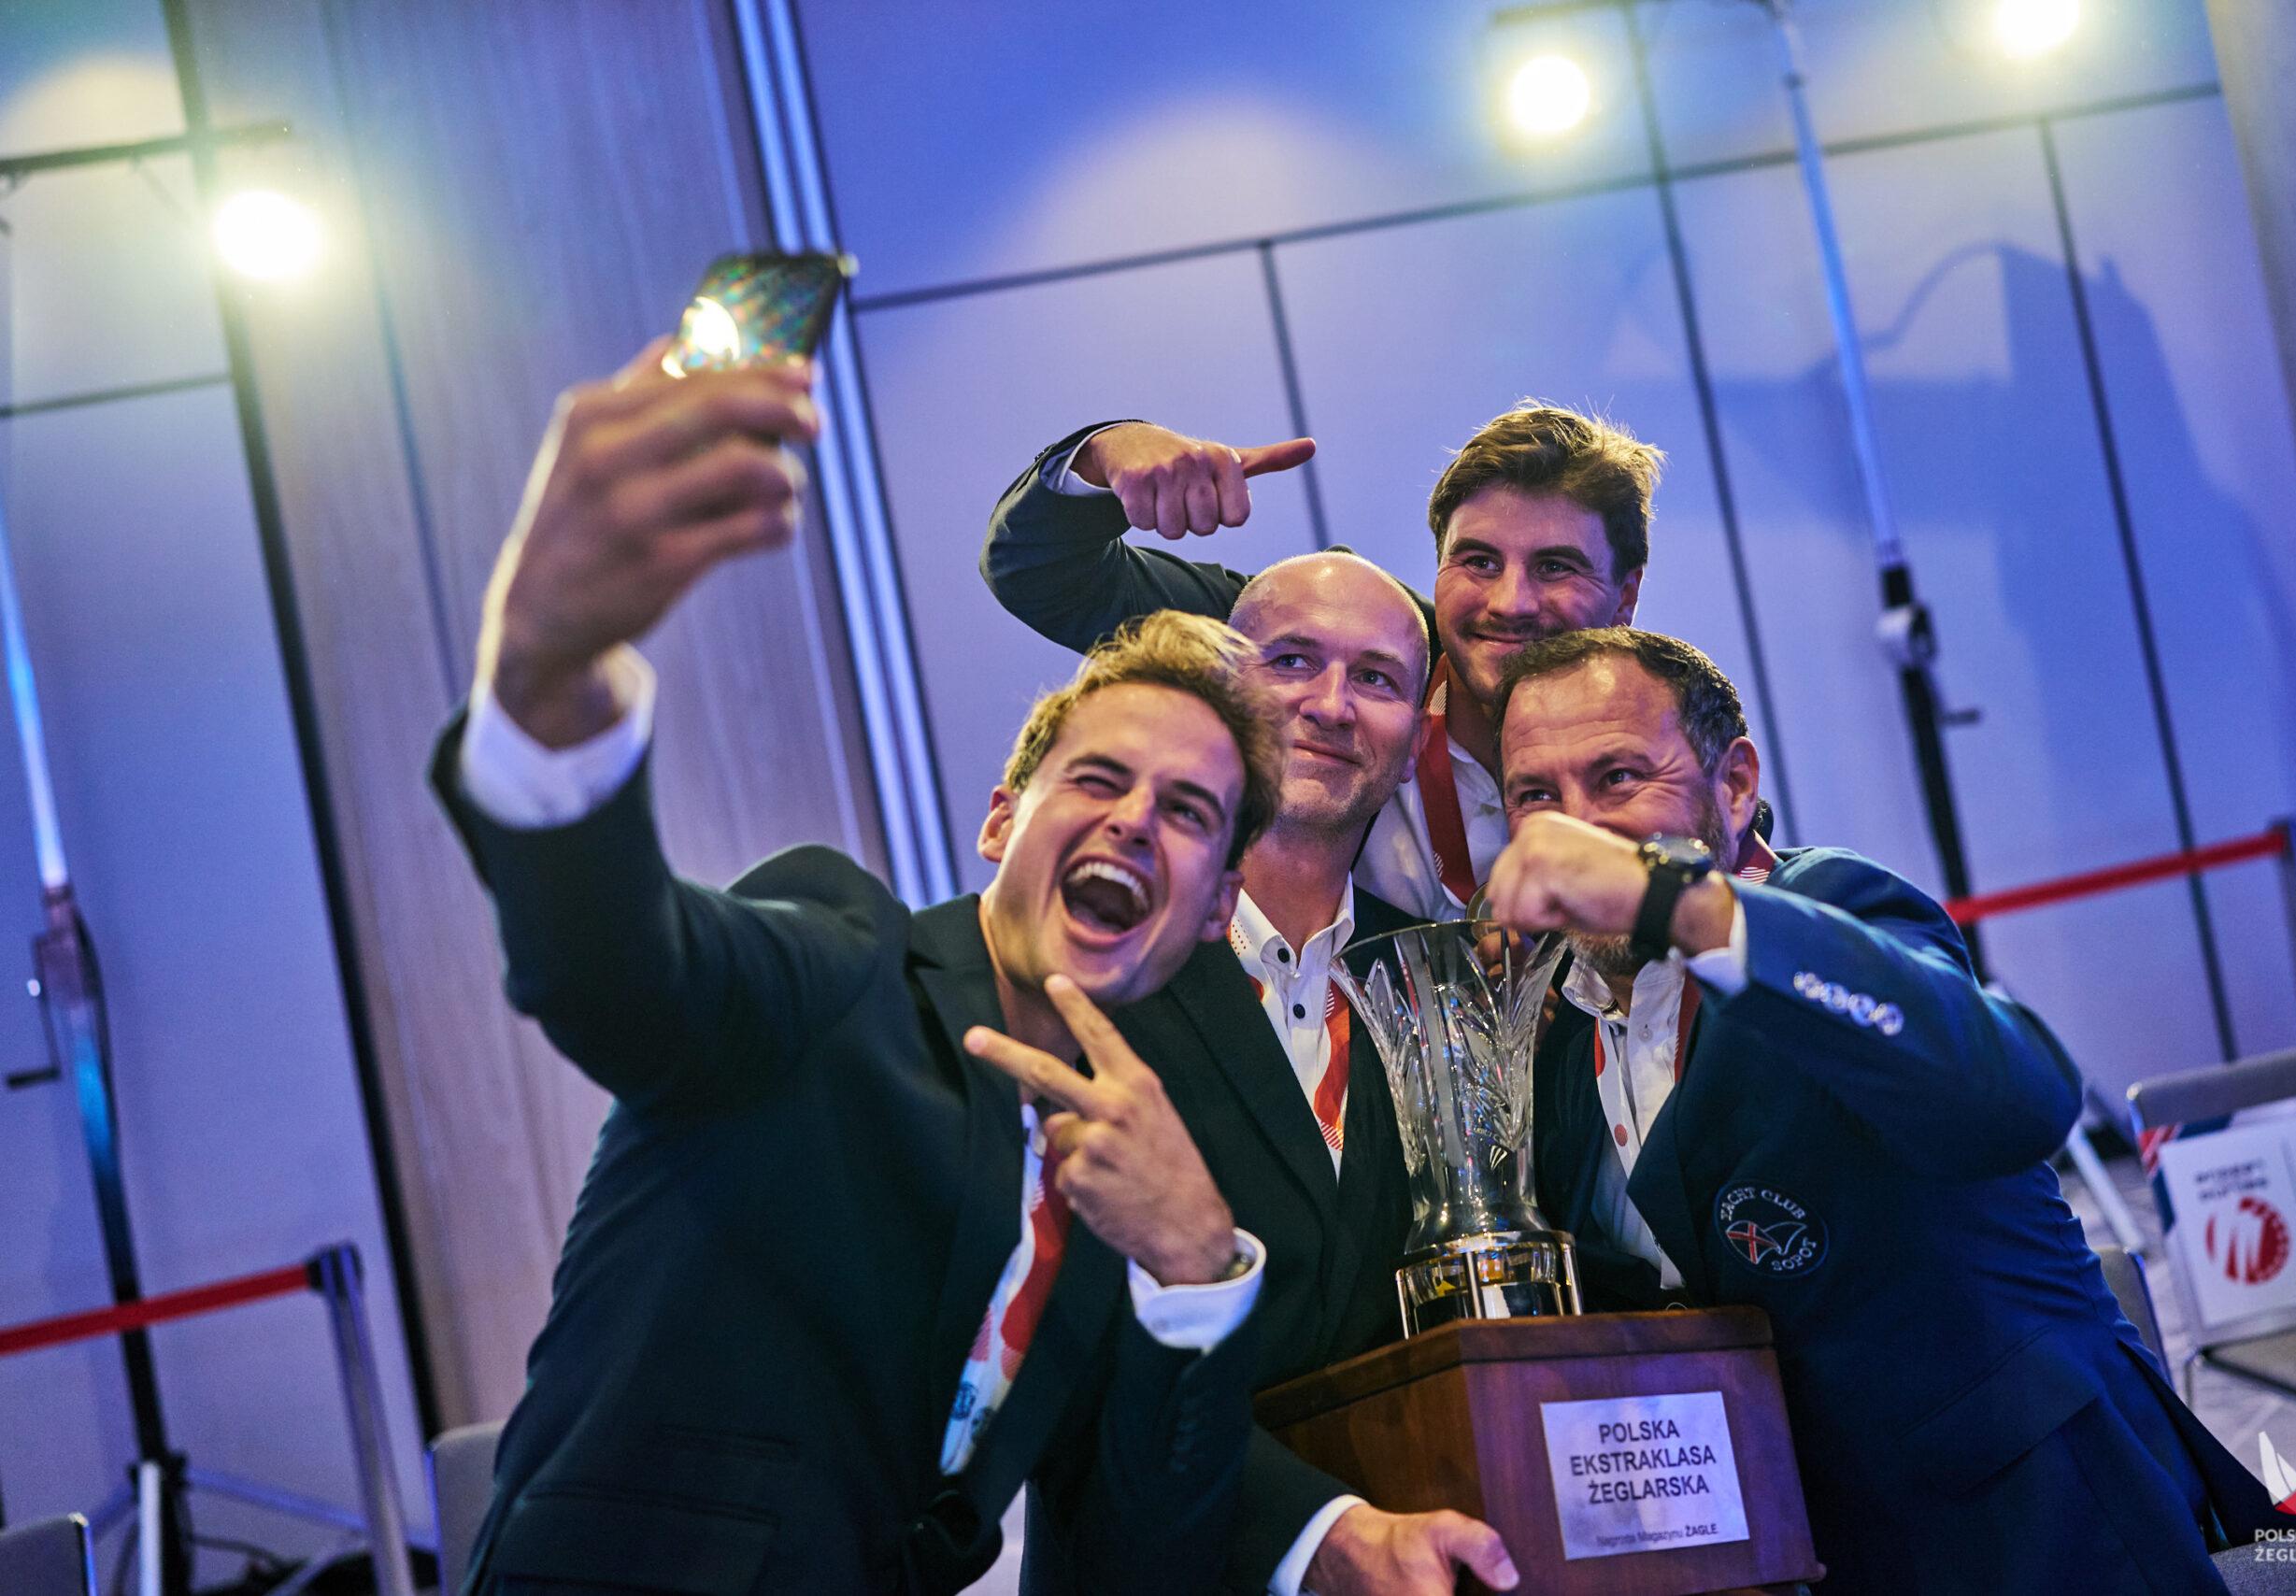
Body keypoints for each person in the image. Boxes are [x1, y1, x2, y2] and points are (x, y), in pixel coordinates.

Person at [434, 344, 1284, 1595]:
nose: (1133, 822)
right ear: (1000, 823)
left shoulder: (1133, 1167)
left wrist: (1198, 1274)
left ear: (1216, 909)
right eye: (1097, 779)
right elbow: (615, 971)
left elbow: (1135, 1564)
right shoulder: (840, 966)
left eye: (1189, 813)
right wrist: (547, 684)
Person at [1477, 626, 2296, 1595]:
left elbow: (2019, 1099)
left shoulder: (1834, 909)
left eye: (1617, 777)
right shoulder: (1551, 1026)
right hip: (1806, 1552)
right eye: (1536, 796)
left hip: (2034, 1529)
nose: (1575, 829)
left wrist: (1682, 905)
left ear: (1734, 785)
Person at [1025, 551, 1519, 1596]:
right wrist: (1323, 1535)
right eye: (1291, 661)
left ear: (1415, 729)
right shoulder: (1100, 959)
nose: (1331, 705)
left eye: (1376, 678)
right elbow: (1062, 1351)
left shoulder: (1450, 977)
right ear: (1222, 696)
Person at [981, 406, 1661, 919]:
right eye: (1479, 561)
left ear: (1625, 597)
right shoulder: (1329, 648)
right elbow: (1037, 572)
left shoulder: (1659, 743)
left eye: (1556, 567)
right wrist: (1107, 451)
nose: (1510, 602)